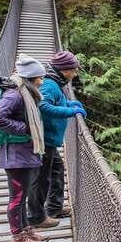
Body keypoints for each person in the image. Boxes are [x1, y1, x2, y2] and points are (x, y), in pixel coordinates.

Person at [0, 54, 50, 242]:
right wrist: (25, 128)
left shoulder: (26, 92)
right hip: (16, 156)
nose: (42, 81)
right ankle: (17, 237)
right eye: (40, 77)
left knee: (22, 197)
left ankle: (26, 231)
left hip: (24, 153)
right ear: (30, 78)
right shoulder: (14, 95)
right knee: (16, 198)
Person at [28, 50, 86, 228]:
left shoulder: (55, 81)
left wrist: (69, 103)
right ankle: (37, 218)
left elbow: (56, 102)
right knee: (41, 179)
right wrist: (71, 111)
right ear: (64, 70)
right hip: (44, 140)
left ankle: (54, 208)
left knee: (56, 171)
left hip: (50, 139)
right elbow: (43, 106)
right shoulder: (49, 84)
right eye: (73, 70)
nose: (75, 73)